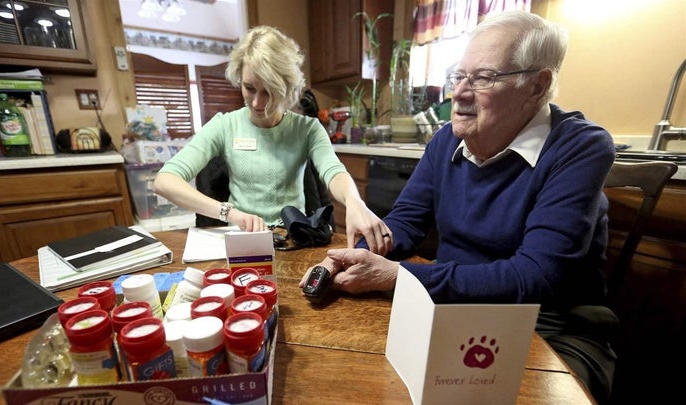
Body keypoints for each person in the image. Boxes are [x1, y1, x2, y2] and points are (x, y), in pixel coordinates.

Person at [300, 11, 617, 404]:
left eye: (483, 78)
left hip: (551, 327)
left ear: (538, 85)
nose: (460, 94)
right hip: (452, 310)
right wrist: (353, 258)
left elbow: (537, 276)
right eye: (459, 76)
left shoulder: (579, 147)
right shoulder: (445, 141)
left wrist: (401, 277)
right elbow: (405, 223)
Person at [154, 26, 391, 252]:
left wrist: (354, 201)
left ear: (287, 88)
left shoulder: (308, 129)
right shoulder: (224, 125)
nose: (257, 103)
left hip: (293, 240)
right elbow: (165, 181)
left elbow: (333, 171)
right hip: (242, 241)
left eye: (269, 91)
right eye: (249, 88)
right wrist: (230, 213)